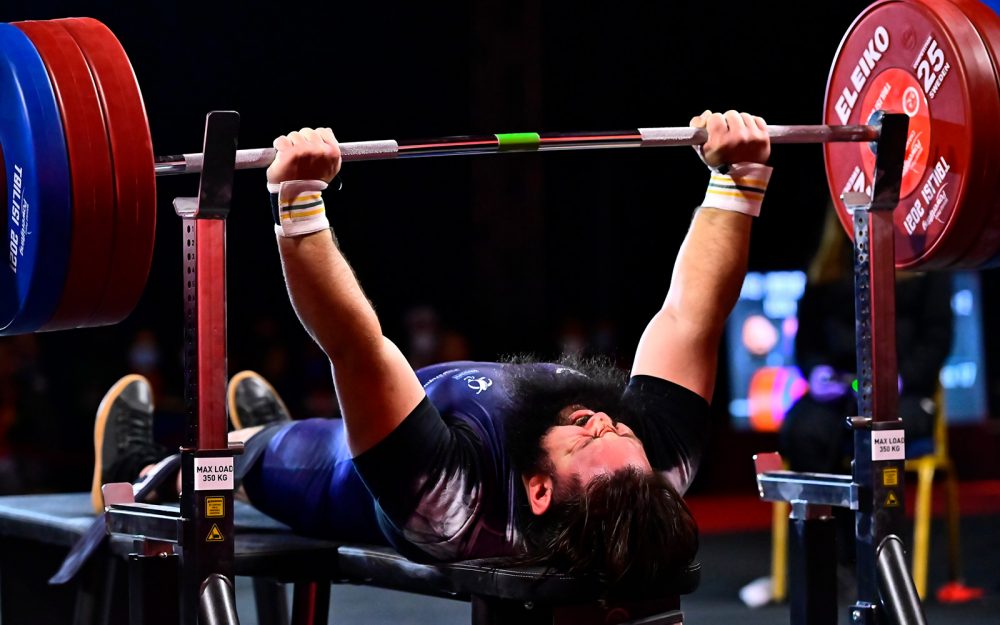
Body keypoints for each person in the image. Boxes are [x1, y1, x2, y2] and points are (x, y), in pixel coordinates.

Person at [92, 110, 773, 591]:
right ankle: (265, 425)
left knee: (258, 458)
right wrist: (739, 177)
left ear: (538, 491)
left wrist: (297, 197)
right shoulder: (652, 469)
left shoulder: (451, 499)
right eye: (620, 428)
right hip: (432, 411)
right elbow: (691, 317)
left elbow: (354, 344)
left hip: (360, 473)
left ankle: (138, 470)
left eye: (588, 438)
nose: (604, 419)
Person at [779, 208, 953, 475]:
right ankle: (828, 505)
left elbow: (936, 338)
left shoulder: (923, 265)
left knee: (880, 437)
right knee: (803, 432)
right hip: (837, 394)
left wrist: (900, 379)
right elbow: (808, 342)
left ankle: (878, 505)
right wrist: (816, 372)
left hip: (903, 394)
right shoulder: (824, 271)